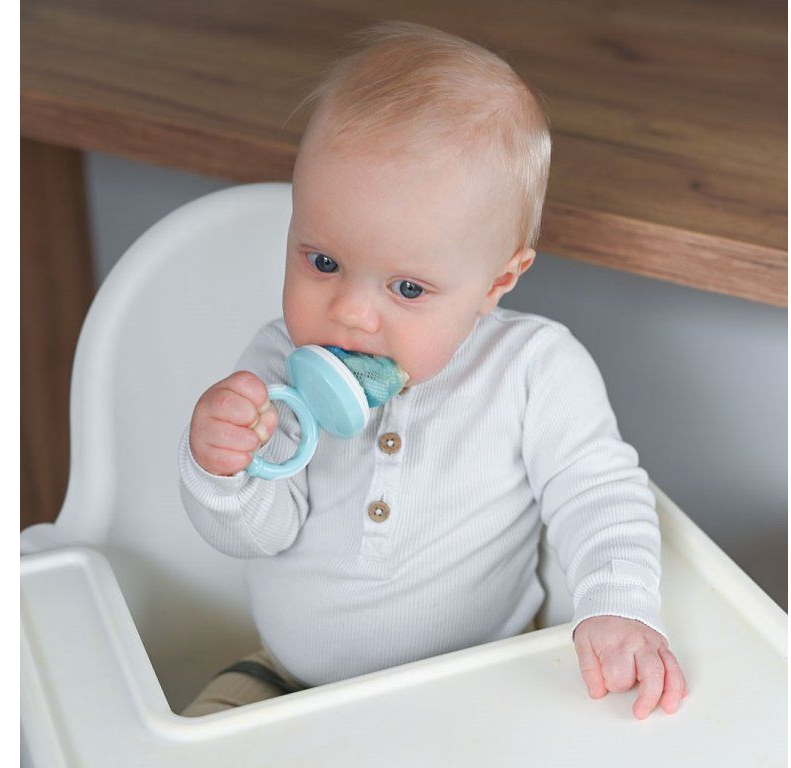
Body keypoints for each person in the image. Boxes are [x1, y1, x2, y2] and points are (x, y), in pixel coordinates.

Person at [178, 20, 687, 720]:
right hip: (288, 684)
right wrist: (222, 469)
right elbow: (257, 534)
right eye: (323, 262)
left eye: (408, 289)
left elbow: (598, 493)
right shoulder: (275, 369)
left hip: (479, 691)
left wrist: (618, 607)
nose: (351, 313)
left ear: (496, 282)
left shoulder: (532, 370)